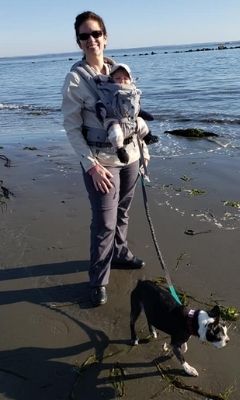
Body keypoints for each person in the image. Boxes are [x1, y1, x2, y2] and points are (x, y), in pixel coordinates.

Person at [62, 11, 152, 306]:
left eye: (95, 34)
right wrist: (91, 166)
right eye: (84, 36)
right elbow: (73, 129)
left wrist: (144, 149)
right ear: (78, 42)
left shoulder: (119, 70)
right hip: (101, 161)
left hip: (131, 156)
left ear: (105, 36)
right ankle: (98, 279)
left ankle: (121, 253)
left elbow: (132, 112)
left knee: (123, 211)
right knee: (104, 222)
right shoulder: (76, 80)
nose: (91, 40)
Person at [95, 63, 158, 164]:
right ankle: (120, 150)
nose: (122, 80)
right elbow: (101, 103)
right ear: (112, 79)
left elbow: (136, 109)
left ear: (130, 79)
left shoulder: (133, 92)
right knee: (115, 133)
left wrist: (143, 114)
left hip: (129, 120)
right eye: (118, 78)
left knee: (140, 122)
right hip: (113, 119)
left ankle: (147, 137)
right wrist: (101, 112)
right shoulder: (107, 91)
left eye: (125, 77)